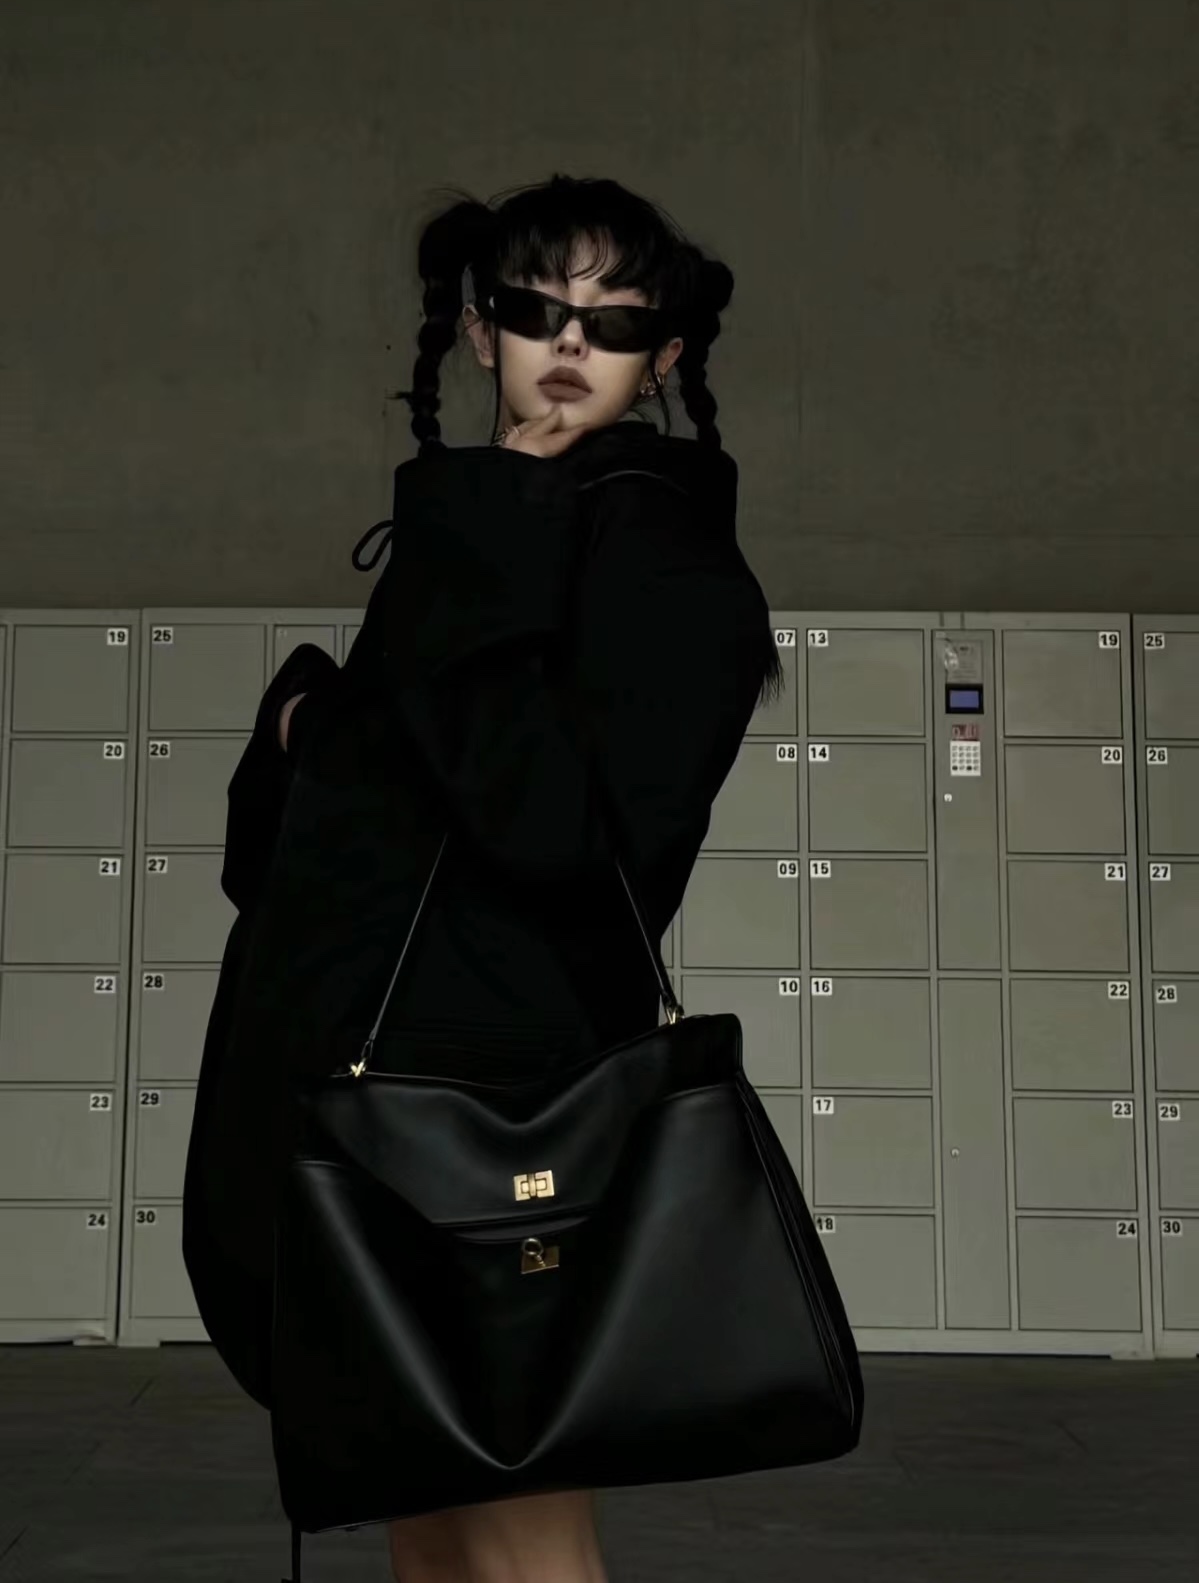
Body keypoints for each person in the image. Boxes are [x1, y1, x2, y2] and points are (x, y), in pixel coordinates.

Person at [183, 173, 784, 1583]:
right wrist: (314, 732)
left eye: (613, 321)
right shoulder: (475, 527)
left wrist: (345, 718)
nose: (569, 343)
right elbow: (319, 845)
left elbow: (546, 826)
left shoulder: (662, 556)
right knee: (427, 1506)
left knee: (519, 1523)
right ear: (477, 332)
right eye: (534, 308)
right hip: (371, 1082)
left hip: (510, 1102)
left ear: (663, 358)